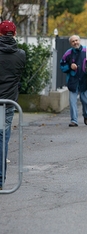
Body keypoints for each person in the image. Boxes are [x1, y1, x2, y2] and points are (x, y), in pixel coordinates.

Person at [0, 20, 26, 190]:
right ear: (15, 34)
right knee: (3, 139)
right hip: (8, 102)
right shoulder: (21, 54)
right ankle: (0, 180)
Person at [60, 35, 87, 127]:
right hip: (73, 81)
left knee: (85, 101)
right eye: (73, 41)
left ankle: (86, 115)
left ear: (79, 40)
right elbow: (62, 65)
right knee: (72, 102)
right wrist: (69, 67)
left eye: (76, 40)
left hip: (85, 81)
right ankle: (74, 120)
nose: (75, 42)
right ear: (70, 43)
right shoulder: (68, 53)